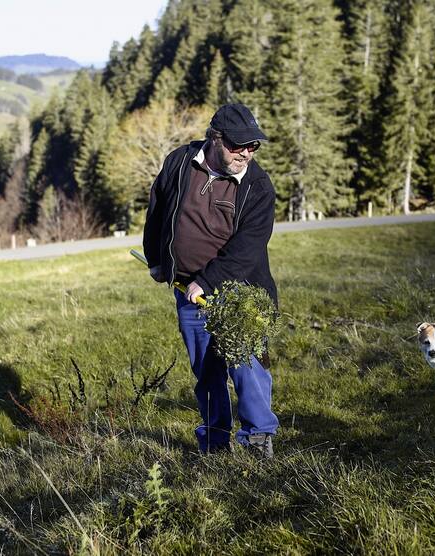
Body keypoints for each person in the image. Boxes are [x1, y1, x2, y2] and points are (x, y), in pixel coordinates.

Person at [143, 103, 279, 457]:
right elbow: (158, 208)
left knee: (248, 368)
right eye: (239, 145)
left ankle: (257, 439)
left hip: (240, 294)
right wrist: (158, 260)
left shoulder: (258, 186)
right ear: (216, 138)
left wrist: (207, 280)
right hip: (189, 293)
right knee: (207, 373)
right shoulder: (180, 161)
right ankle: (215, 443)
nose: (246, 153)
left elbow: (248, 248)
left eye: (254, 146)